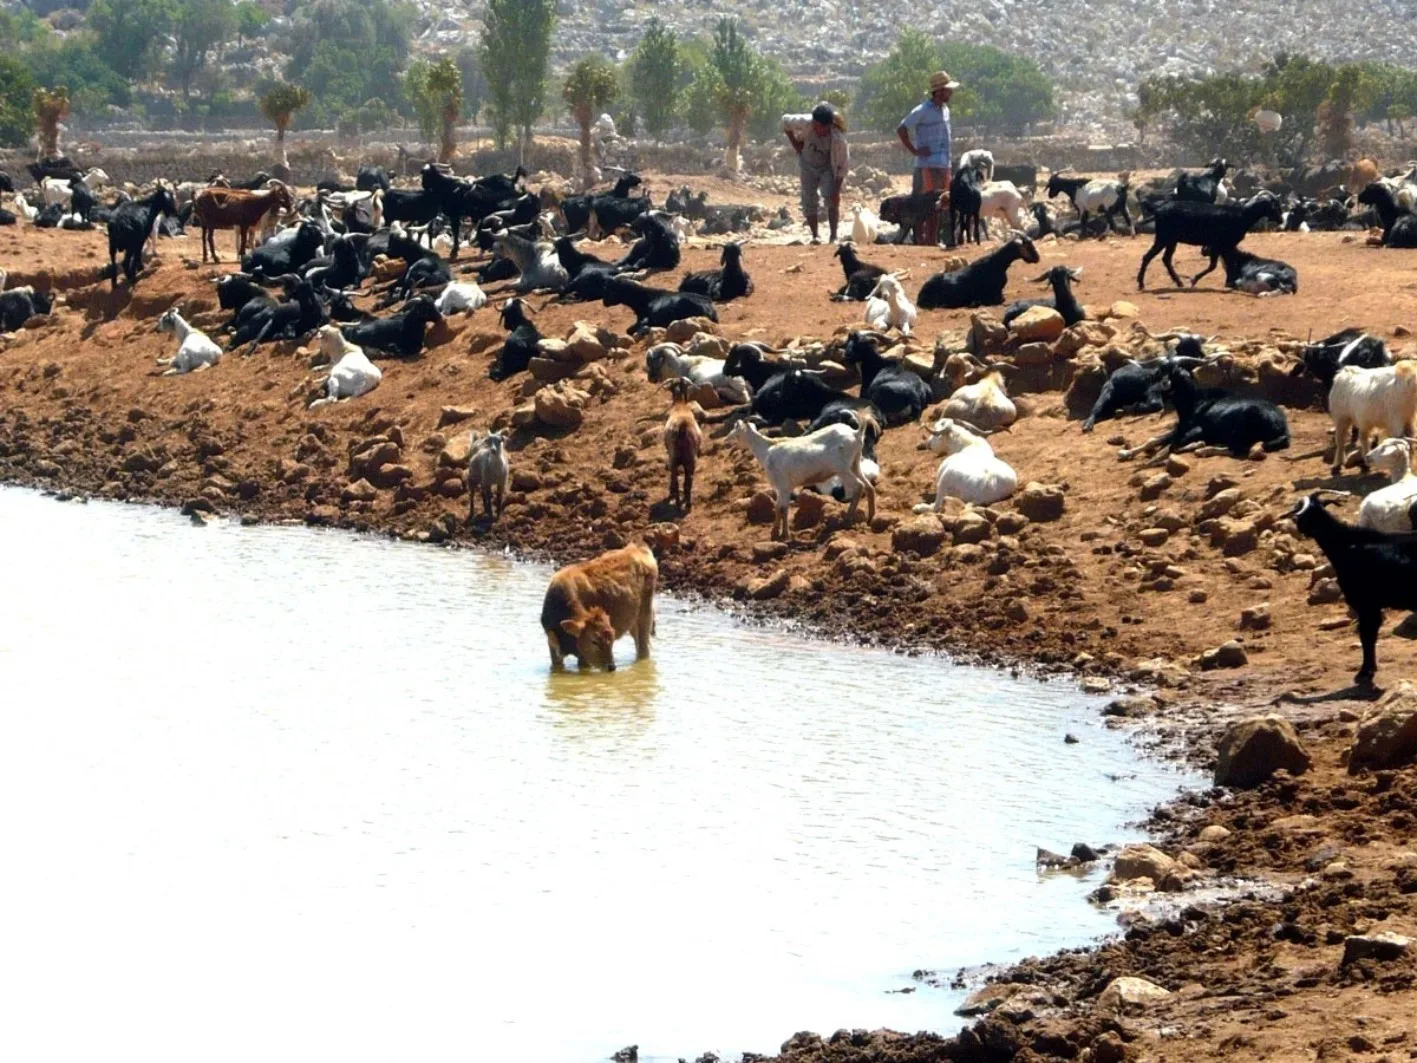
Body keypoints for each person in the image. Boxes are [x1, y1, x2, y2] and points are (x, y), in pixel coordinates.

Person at [897, 70, 960, 246]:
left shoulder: (946, 110)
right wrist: (915, 151)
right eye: (948, 90)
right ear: (939, 91)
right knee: (924, 205)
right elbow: (902, 129)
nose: (951, 93)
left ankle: (933, 240)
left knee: (940, 205)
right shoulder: (922, 110)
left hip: (943, 165)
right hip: (927, 165)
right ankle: (922, 241)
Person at [785, 102, 849, 244]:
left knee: (831, 200)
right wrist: (796, 145)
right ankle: (815, 236)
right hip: (807, 165)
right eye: (817, 126)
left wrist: (836, 192)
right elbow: (784, 122)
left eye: (822, 128)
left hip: (827, 167)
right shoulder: (804, 122)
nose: (819, 130)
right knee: (809, 200)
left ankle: (833, 237)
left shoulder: (839, 140)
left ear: (829, 126)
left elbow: (842, 168)